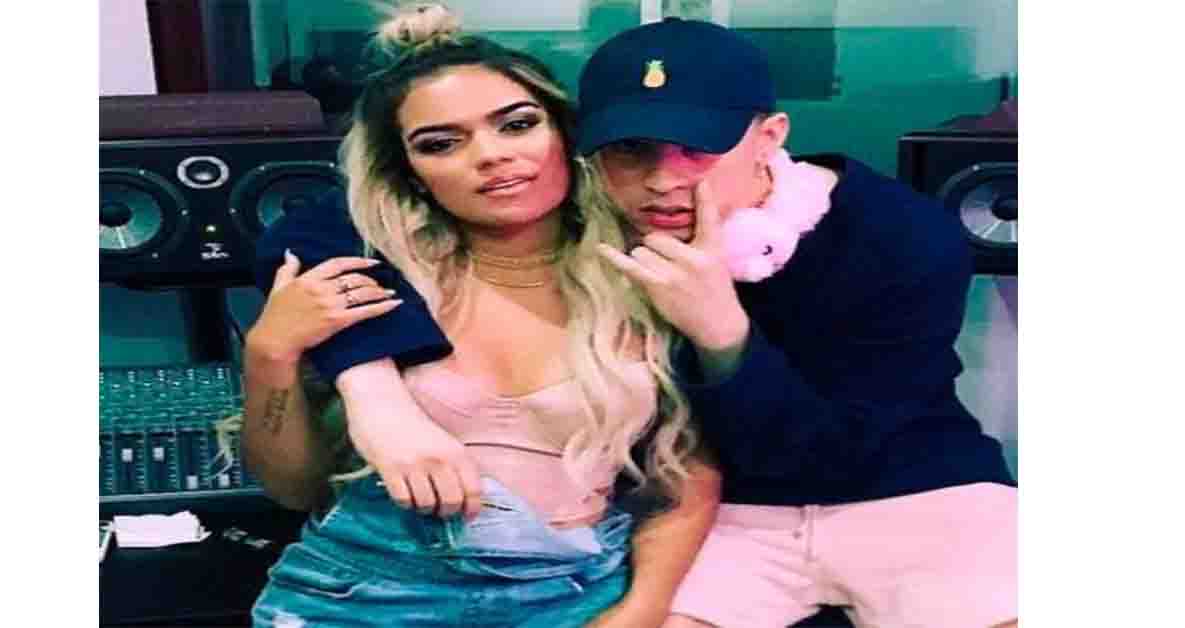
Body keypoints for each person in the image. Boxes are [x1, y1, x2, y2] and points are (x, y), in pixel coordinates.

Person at [257, 13, 1017, 628]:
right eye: (631, 150)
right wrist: (342, 379)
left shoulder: (882, 238)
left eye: (698, 148)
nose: (663, 180)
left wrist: (722, 329)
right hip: (378, 580)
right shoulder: (435, 255)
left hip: (891, 496)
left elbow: (778, 457)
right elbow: (306, 227)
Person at [234, 5, 720, 627]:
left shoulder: (648, 275)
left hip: (576, 592)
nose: (489, 155)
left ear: (566, 133)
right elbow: (292, 490)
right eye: (440, 144)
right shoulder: (371, 280)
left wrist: (643, 609)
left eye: (517, 125)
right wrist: (269, 353)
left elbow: (689, 476)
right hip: (365, 595)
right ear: (411, 173)